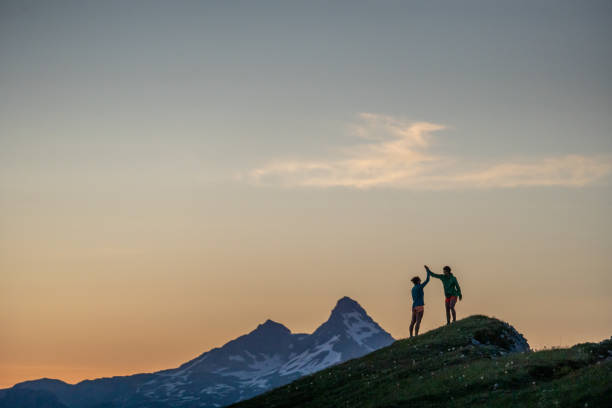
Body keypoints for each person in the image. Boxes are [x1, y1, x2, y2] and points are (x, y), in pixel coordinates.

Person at [409, 266, 431, 337]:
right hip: (420, 307)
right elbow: (427, 280)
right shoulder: (420, 286)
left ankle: (411, 335)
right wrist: (428, 271)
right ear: (418, 281)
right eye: (419, 280)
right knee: (418, 322)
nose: (420, 281)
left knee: (412, 322)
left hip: (414, 306)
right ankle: (416, 335)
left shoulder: (413, 289)